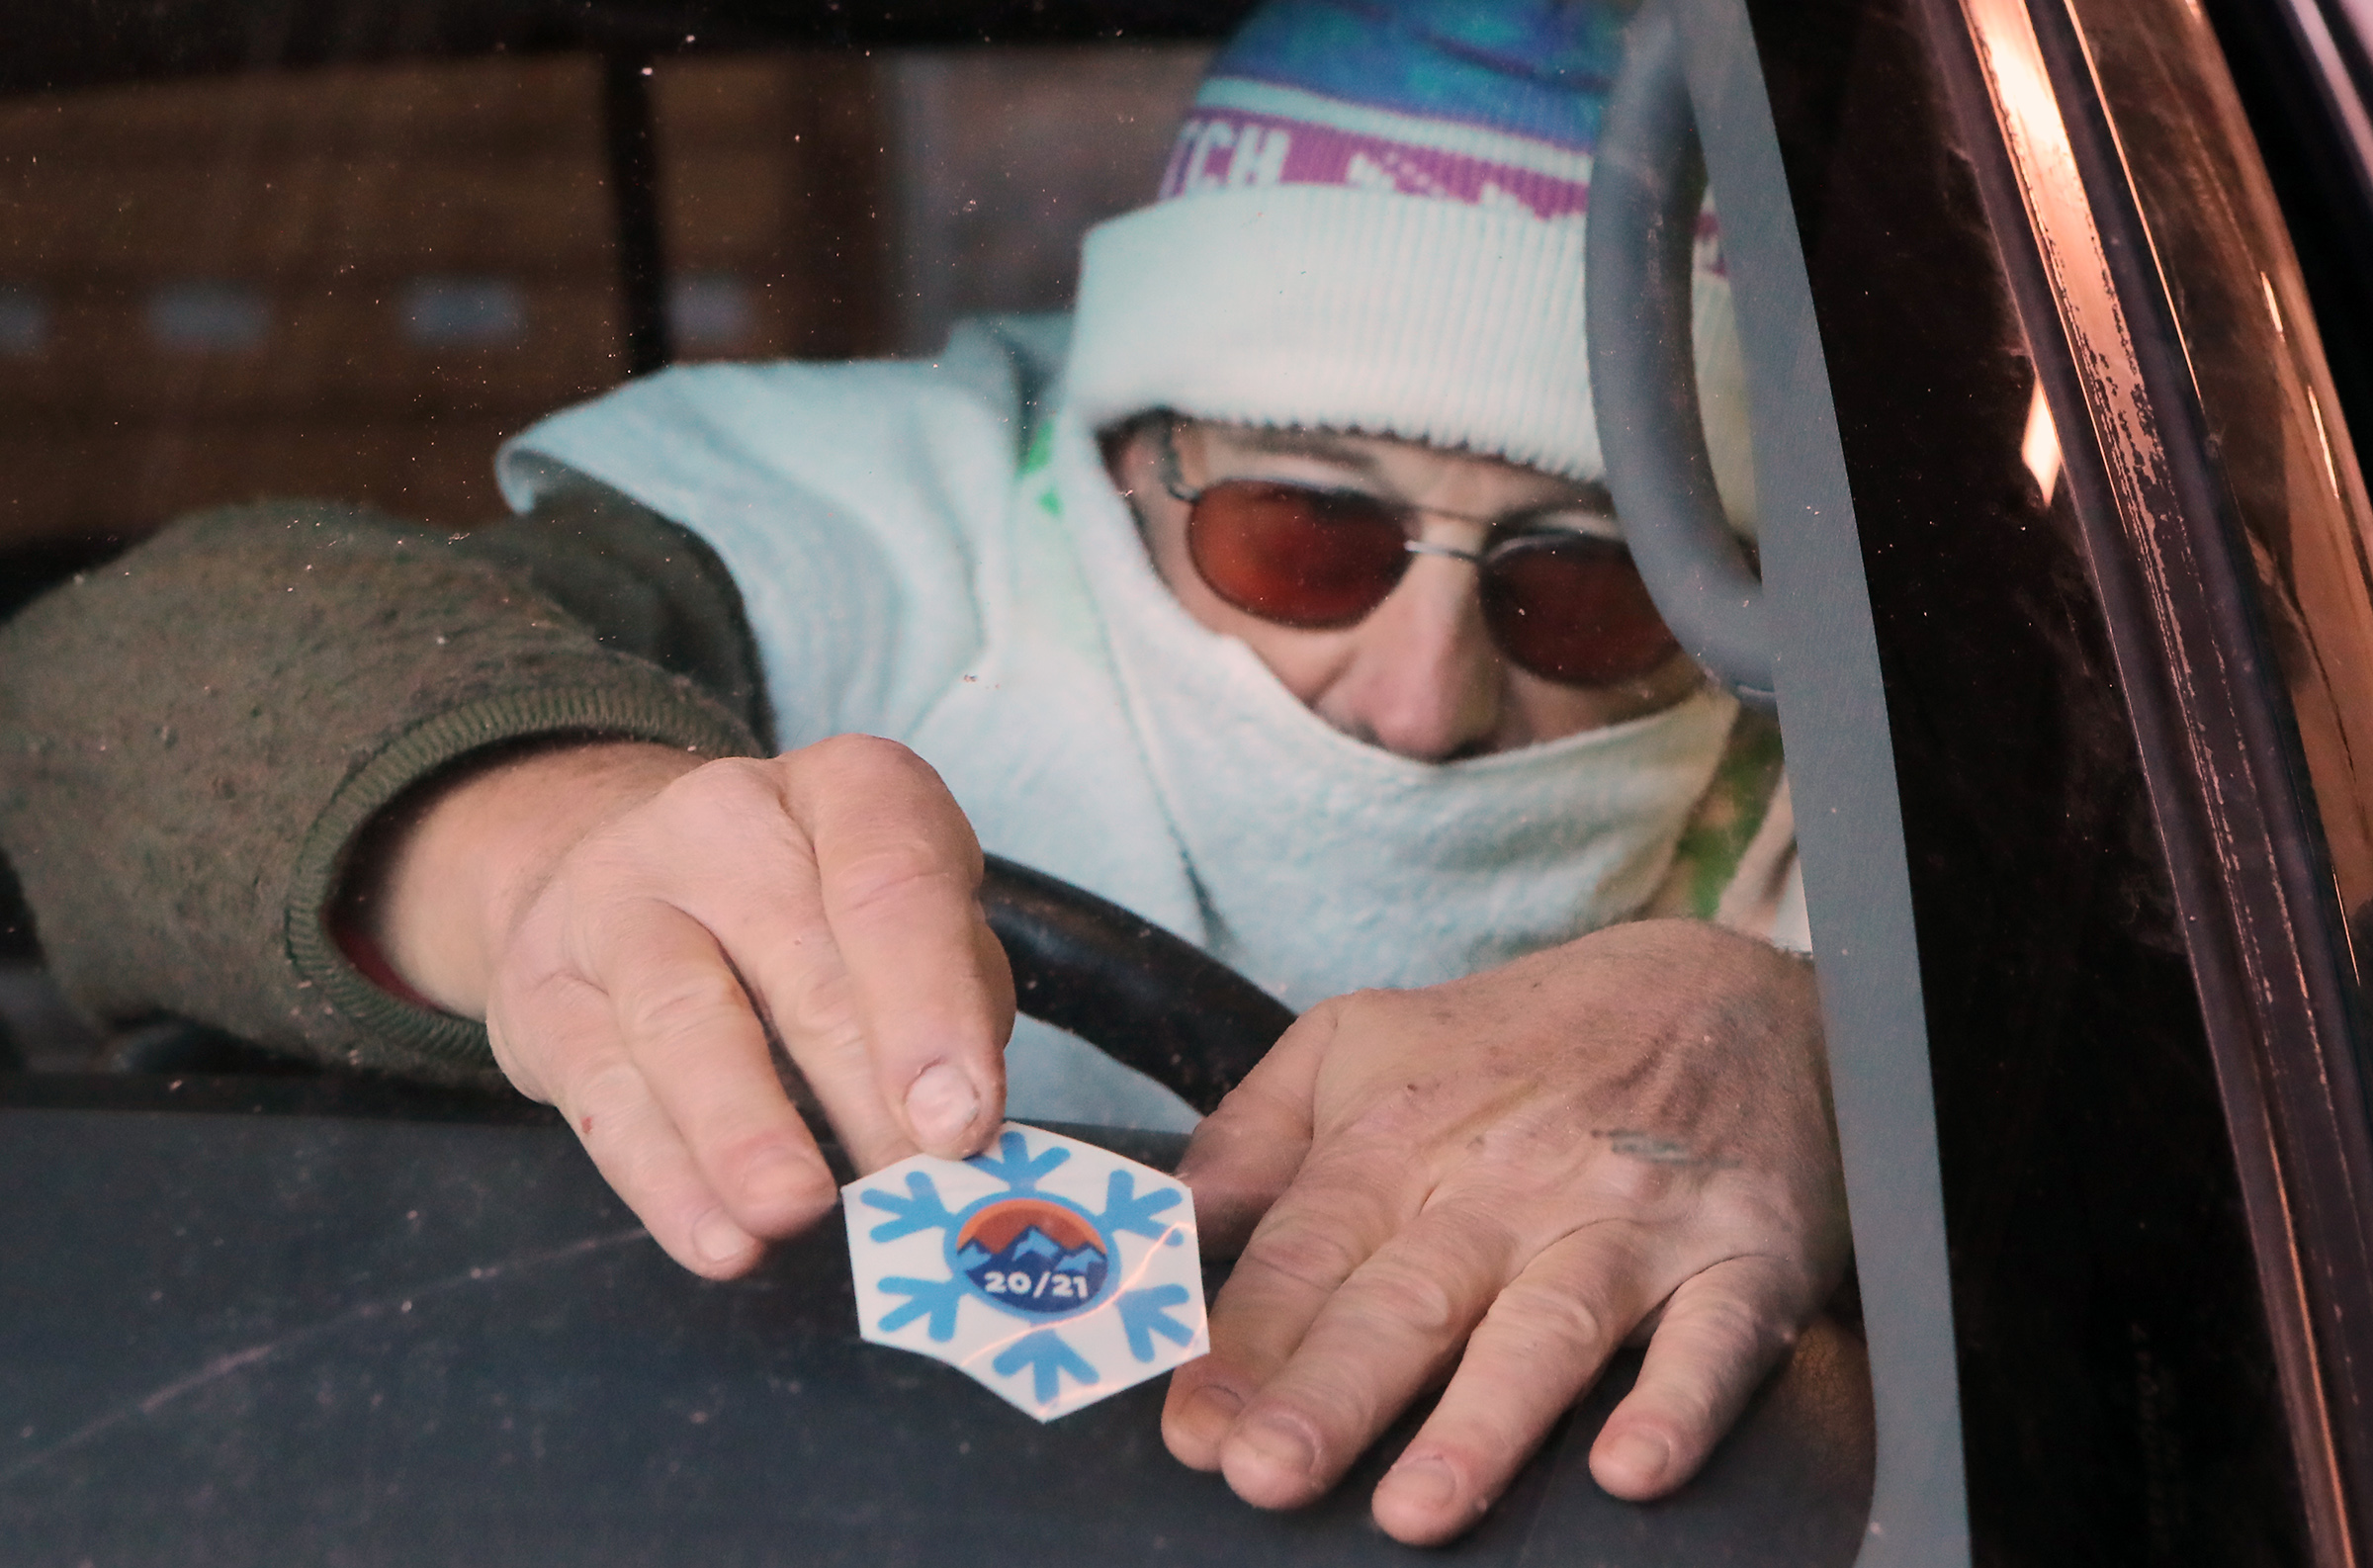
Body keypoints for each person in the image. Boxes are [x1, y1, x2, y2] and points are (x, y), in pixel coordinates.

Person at [0, 0, 1847, 1546]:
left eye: (1579, 588)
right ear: (1134, 447)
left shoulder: (1847, 746)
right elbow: (124, 680)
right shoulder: (852, 551)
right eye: (1307, 538)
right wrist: (539, 834)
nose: (1421, 696)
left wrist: (1818, 1040)